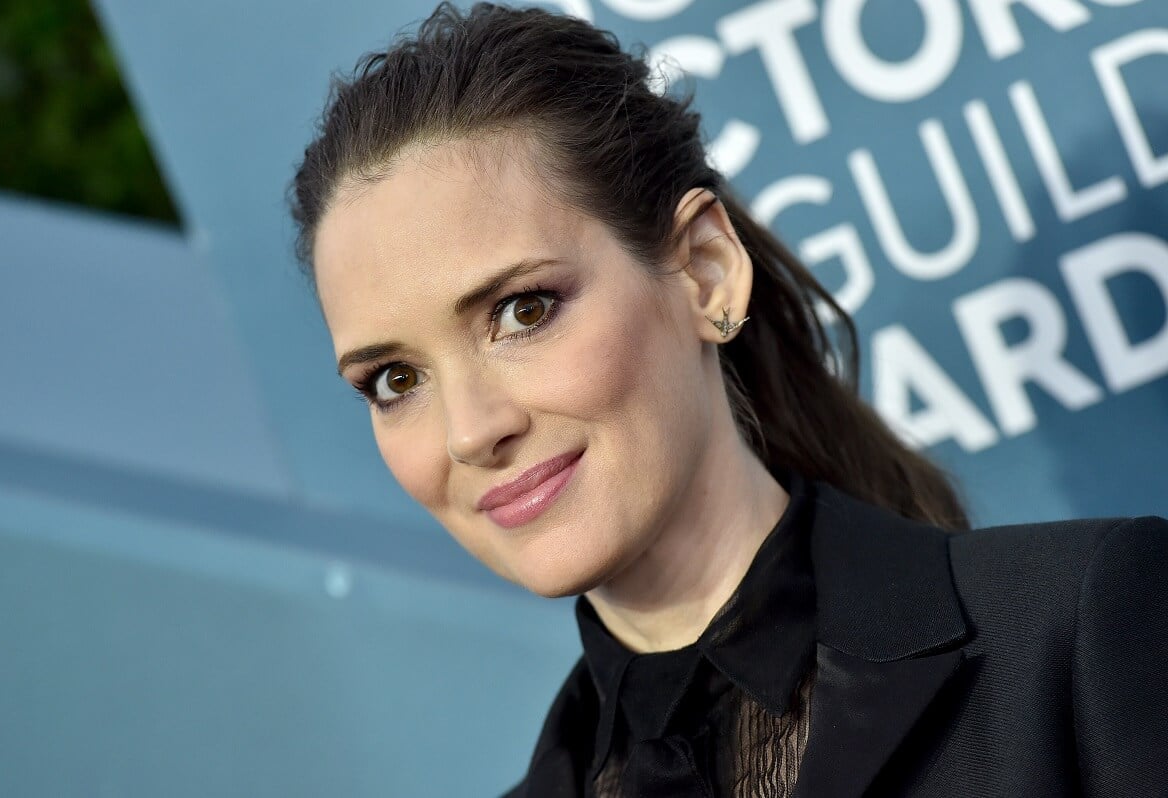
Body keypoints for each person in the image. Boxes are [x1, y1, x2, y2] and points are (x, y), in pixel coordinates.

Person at [288, 3, 1168, 796]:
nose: (472, 430)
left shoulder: (1077, 632)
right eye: (395, 380)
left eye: (523, 311)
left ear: (704, 272)